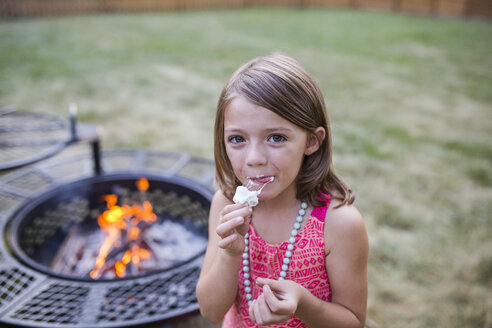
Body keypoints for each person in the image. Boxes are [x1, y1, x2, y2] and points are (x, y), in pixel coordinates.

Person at [196, 53, 368, 328]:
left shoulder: (339, 224)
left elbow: (353, 321)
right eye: (237, 139)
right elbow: (210, 310)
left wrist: (304, 304)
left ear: (312, 141)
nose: (254, 158)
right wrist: (229, 254)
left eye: (276, 138)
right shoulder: (225, 204)